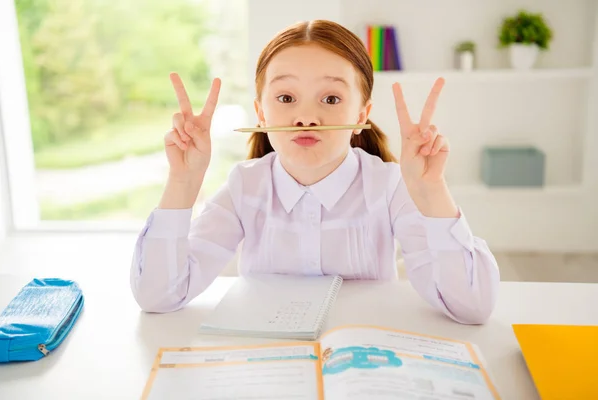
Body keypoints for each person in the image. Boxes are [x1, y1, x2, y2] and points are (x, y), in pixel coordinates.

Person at [130, 19, 500, 324]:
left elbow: (472, 307)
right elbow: (159, 297)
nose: (306, 117)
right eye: (286, 98)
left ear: (361, 116)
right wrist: (183, 181)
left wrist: (432, 189)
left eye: (331, 98)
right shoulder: (245, 186)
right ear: (262, 114)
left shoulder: (390, 186)